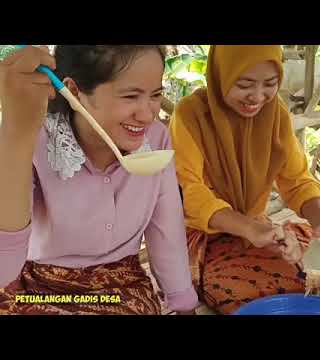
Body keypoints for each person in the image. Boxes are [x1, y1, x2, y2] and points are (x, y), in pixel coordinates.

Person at [0, 45, 198, 315]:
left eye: (156, 95)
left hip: (119, 290)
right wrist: (16, 135)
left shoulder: (156, 140)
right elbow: (4, 267)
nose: (148, 114)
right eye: (130, 96)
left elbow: (167, 230)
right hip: (33, 287)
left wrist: (184, 303)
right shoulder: (34, 141)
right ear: (76, 92)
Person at [169, 45, 320, 314]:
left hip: (260, 232)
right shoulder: (190, 115)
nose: (258, 97)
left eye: (270, 84)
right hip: (205, 239)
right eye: (244, 84)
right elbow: (189, 193)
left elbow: (298, 180)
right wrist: (248, 228)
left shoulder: (276, 114)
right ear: (221, 75)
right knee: (245, 289)